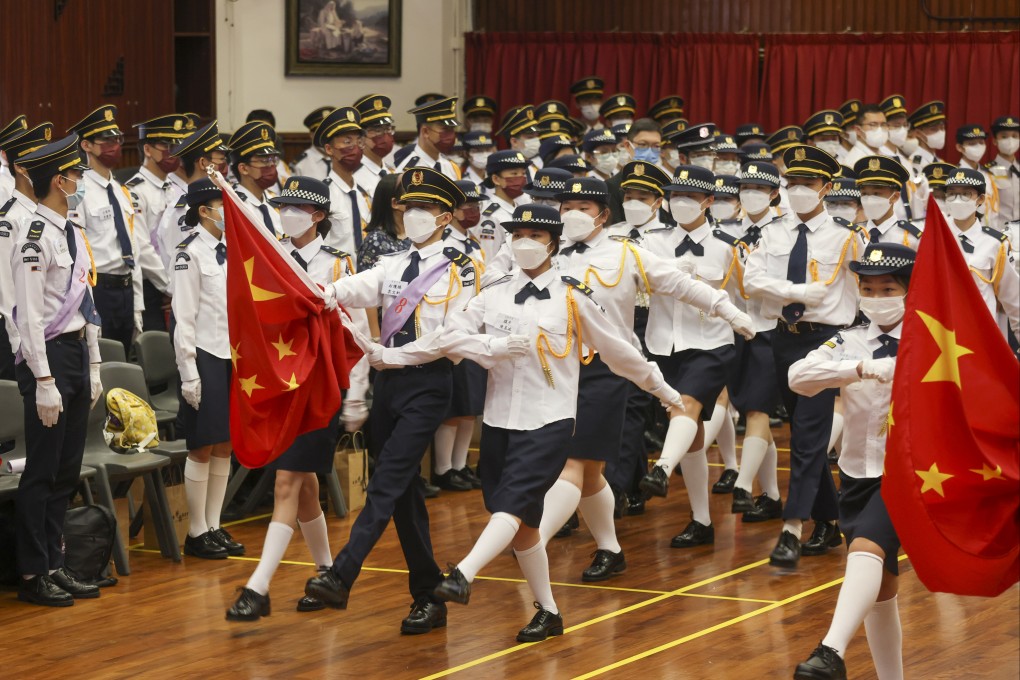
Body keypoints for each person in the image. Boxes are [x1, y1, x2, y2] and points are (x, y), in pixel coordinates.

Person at [426, 203, 684, 641]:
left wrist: (666, 393)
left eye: (535, 235)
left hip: (549, 421)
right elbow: (450, 333)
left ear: (554, 243)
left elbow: (619, 351)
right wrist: (391, 356)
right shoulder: (494, 290)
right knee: (524, 524)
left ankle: (464, 573)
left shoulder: (574, 295)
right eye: (517, 234)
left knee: (512, 503)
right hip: (501, 420)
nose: (524, 242)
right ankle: (549, 611)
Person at [539, 176, 752, 576]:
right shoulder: (549, 255)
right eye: (565, 208)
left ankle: (534, 543)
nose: (571, 215)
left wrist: (730, 312)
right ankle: (610, 548)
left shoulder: (626, 254)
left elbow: (682, 285)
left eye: (582, 209)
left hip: (606, 370)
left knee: (576, 460)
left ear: (602, 215)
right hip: (553, 369)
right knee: (588, 473)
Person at [304, 167, 478, 635]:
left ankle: (342, 574)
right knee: (404, 495)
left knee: (386, 480)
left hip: (427, 383)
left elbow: (449, 336)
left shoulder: (462, 265)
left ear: (444, 215)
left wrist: (393, 355)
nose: (412, 215)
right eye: (408, 207)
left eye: (423, 208)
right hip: (390, 386)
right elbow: (358, 285)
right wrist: (324, 290)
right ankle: (428, 594)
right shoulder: (397, 262)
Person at [227, 176, 368, 621]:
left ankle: (258, 586)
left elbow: (357, 333)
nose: (287, 214)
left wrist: (357, 395)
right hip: (282, 387)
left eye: (297, 208)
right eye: (282, 206)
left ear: (318, 216)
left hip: (322, 388)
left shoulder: (339, 266)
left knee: (287, 483)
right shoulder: (273, 259)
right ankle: (328, 575)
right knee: (304, 486)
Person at [791, 242, 917, 680]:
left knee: (865, 549)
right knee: (881, 588)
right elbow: (799, 378)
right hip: (857, 473)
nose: (878, 297)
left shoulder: (931, 338)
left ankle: (830, 650)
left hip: (909, 474)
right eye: (869, 288)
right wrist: (858, 368)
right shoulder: (850, 340)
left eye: (888, 289)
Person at [744, 144, 866, 570]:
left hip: (827, 341)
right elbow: (750, 280)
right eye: (792, 182)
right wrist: (793, 293)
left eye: (807, 184)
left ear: (826, 187)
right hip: (784, 338)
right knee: (803, 430)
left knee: (809, 436)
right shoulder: (773, 231)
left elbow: (871, 286)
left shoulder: (847, 236)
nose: (798, 190)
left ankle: (791, 528)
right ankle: (830, 521)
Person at [636, 164, 755, 549]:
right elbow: (638, 281)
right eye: (673, 196)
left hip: (711, 342)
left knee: (684, 406)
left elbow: (744, 291)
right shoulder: (651, 242)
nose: (679, 203)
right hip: (662, 341)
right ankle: (701, 521)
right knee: (691, 431)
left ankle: (660, 469)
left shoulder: (726, 245)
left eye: (689, 197)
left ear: (708, 201)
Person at [11, 134, 103, 605]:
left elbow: (85, 302)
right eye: (75, 174)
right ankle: (32, 573)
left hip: (74, 355)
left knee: (66, 470)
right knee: (41, 472)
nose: (81, 180)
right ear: (57, 179)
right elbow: (27, 315)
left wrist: (94, 362)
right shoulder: (33, 238)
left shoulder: (72, 230)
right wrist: (43, 380)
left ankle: (55, 561)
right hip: (45, 356)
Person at [171, 178, 243, 560]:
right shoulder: (189, 253)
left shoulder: (232, 250)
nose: (228, 212)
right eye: (222, 205)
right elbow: (183, 318)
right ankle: (196, 531)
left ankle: (214, 524)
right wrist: (188, 372)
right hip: (204, 354)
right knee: (201, 445)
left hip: (234, 355)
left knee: (225, 443)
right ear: (204, 210)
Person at [727, 161, 786, 523]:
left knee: (757, 411)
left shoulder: (786, 232)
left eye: (759, 189)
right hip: (739, 329)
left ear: (775, 193)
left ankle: (743, 486)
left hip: (773, 330)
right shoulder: (730, 232)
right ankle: (773, 496)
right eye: (745, 187)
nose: (751, 194)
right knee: (751, 409)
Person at [67, 105, 144, 353]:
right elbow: (79, 257)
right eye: (106, 140)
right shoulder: (81, 191)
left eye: (117, 139)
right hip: (100, 289)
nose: (114, 146)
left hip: (126, 287)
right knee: (103, 361)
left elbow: (134, 249)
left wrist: (137, 305)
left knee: (126, 359)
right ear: (87, 146)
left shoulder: (122, 191)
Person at [431, 179, 490, 492]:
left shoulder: (474, 244)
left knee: (471, 406)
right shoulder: (444, 244)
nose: (472, 210)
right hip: (453, 329)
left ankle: (460, 464)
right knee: (454, 409)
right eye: (466, 205)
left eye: (475, 204)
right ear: (450, 211)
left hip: (476, 329)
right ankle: (443, 469)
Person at [124, 113, 188, 331]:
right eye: (165, 145)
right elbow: (142, 246)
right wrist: (170, 286)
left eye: (176, 145)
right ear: (148, 150)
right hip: (153, 286)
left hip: (181, 283)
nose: (172, 151)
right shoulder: (135, 191)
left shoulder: (175, 189)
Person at [0, 120, 51, 379]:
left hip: (49, 330)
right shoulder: (9, 219)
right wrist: (20, 343)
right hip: (21, 338)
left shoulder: (46, 213)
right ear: (20, 167)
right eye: (39, 159)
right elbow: (8, 291)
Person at [943, 167, 1019, 340]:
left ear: (980, 199)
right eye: (952, 194)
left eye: (966, 194)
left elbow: (1013, 298)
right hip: (942, 333)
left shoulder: (995, 243)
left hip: (980, 335)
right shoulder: (933, 236)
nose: (957, 200)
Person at [155, 121, 229, 273]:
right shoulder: (178, 213)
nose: (225, 166)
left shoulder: (225, 201)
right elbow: (175, 268)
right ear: (203, 163)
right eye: (220, 160)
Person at [316, 106, 372, 257]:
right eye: (347, 141)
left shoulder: (364, 194)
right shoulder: (323, 195)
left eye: (359, 142)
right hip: (336, 276)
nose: (354, 148)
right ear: (329, 149)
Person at [227, 121, 283, 236]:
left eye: (273, 160)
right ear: (243, 168)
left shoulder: (277, 202)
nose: (271, 165)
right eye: (263, 160)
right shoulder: (233, 206)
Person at [853, 155, 919, 248]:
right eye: (864, 194)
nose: (869, 200)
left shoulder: (910, 239)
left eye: (876, 194)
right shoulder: (853, 235)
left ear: (895, 197)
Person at [394, 96, 462, 181]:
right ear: (425, 132)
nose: (450, 135)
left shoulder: (450, 167)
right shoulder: (409, 171)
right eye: (445, 129)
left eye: (452, 129)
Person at [955, 125, 1001, 228]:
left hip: (989, 236)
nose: (978, 147)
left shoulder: (989, 176)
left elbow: (994, 211)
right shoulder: (953, 176)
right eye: (972, 143)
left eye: (981, 143)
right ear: (959, 147)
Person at [352, 94, 396, 199]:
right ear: (361, 137)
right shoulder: (354, 177)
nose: (385, 135)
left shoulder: (393, 172)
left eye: (388, 129)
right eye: (377, 130)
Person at [987, 115, 1020, 233]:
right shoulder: (987, 172)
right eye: (1004, 136)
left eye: (1015, 136)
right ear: (995, 141)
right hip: (998, 233)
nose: (1010, 140)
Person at [291, 106, 335, 179]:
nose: (327, 136)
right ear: (311, 135)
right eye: (321, 133)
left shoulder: (343, 158)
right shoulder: (300, 164)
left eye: (331, 132)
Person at [495, 105, 542, 170]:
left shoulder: (542, 162)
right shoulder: (504, 168)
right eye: (530, 137)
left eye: (536, 136)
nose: (536, 140)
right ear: (514, 142)